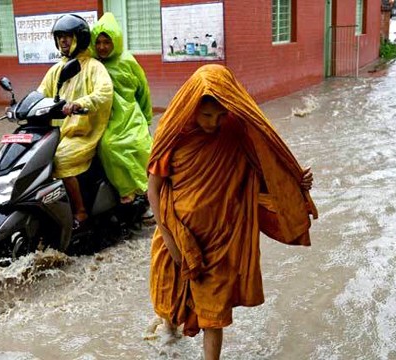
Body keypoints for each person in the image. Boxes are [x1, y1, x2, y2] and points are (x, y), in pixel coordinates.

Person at [147, 64, 318, 360]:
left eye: (220, 115)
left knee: (213, 314)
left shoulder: (237, 134)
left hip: (220, 240)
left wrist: (297, 182)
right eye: (206, 115)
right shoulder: (173, 136)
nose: (213, 123)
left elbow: (266, 172)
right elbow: (153, 189)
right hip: (176, 235)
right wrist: (170, 241)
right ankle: (168, 340)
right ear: (191, 108)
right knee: (170, 302)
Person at [38, 14, 113, 229]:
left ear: (79, 38)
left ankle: (80, 211)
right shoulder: (56, 69)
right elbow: (40, 93)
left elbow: (105, 92)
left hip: (84, 133)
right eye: (60, 37)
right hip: (60, 133)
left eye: (67, 37)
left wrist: (79, 103)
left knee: (59, 160)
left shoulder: (93, 66)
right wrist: (20, 106)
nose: (63, 41)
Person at [90, 12, 153, 205]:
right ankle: (127, 189)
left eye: (107, 42)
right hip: (105, 117)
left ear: (115, 41)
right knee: (109, 145)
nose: (102, 47)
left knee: (140, 145)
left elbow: (143, 91)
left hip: (129, 114)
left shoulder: (128, 61)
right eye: (98, 42)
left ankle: (147, 191)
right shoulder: (92, 63)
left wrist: (146, 118)